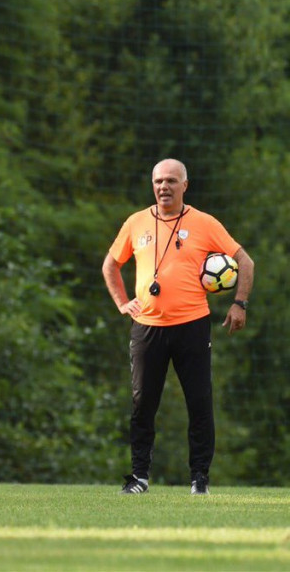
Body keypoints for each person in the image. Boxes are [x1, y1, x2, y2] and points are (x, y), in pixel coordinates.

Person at [103, 158, 254, 496]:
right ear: (152, 185)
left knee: (199, 403)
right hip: (147, 327)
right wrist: (122, 302)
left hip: (192, 326)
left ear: (185, 185)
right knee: (142, 404)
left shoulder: (204, 223)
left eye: (171, 181)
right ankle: (139, 478)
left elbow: (245, 261)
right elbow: (110, 265)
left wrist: (239, 303)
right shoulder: (136, 222)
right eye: (158, 181)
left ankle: (200, 479)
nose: (164, 187)